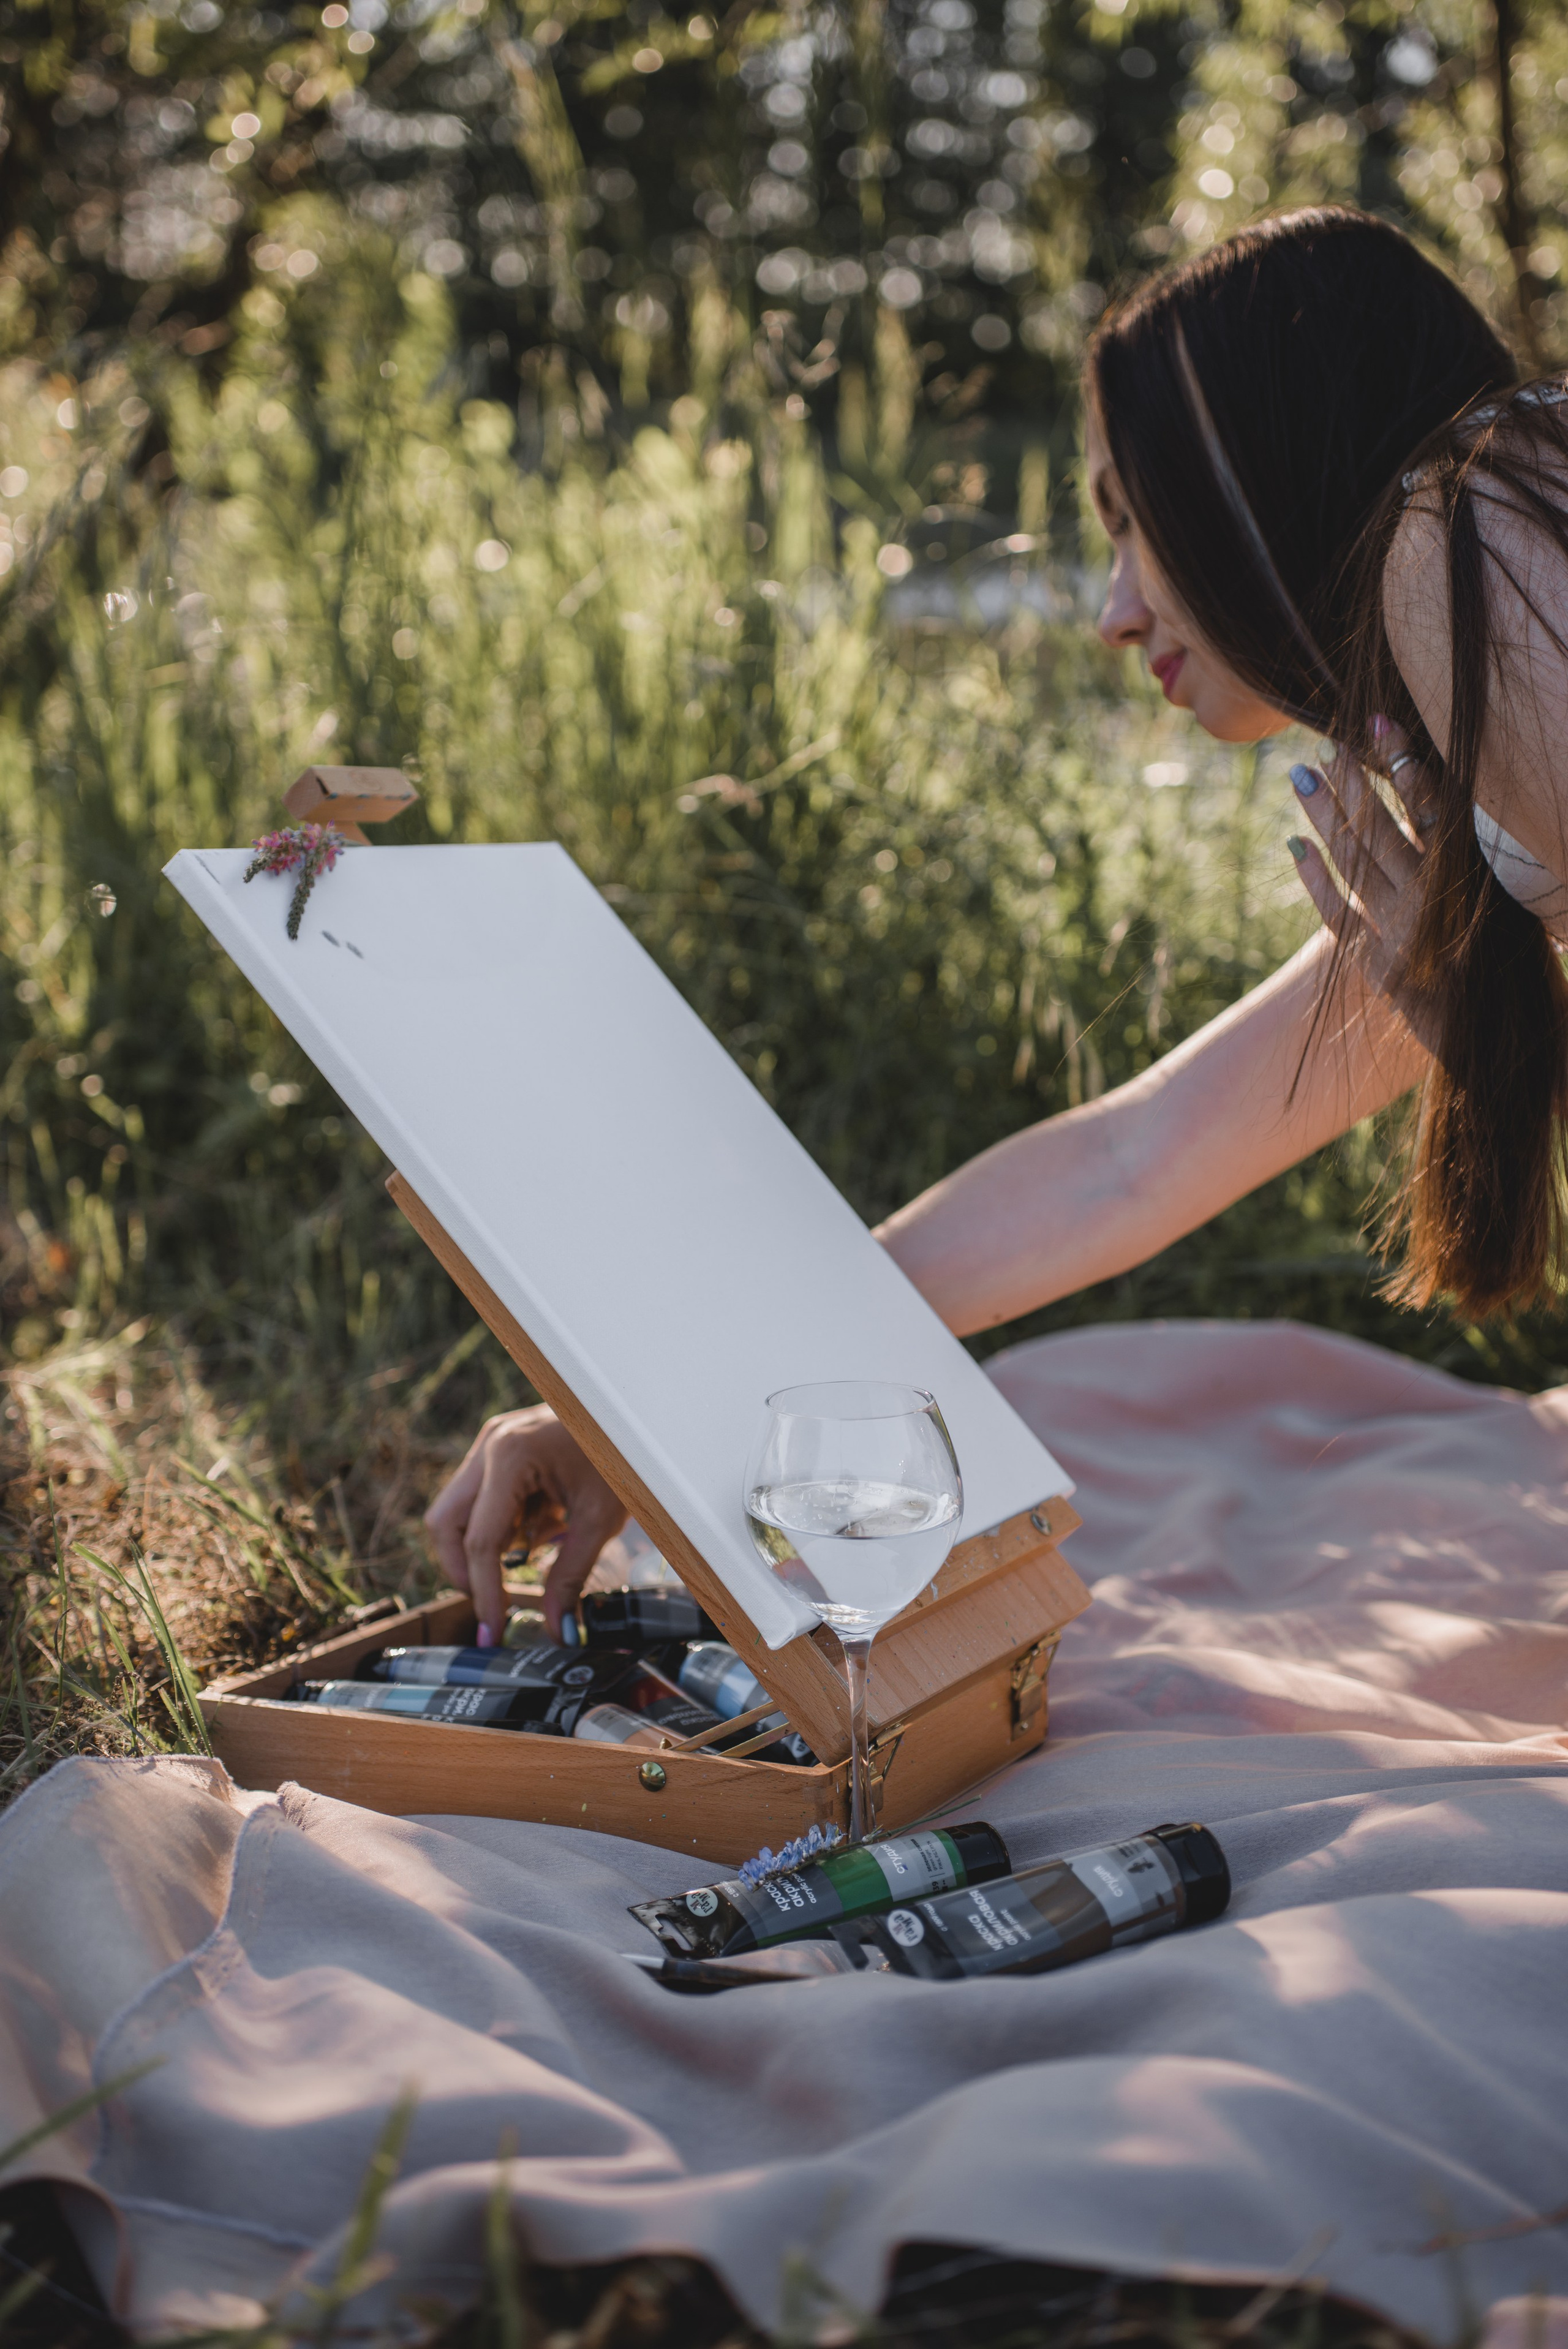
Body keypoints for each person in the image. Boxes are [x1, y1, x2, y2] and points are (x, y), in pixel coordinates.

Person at [426, 205, 1568, 1647]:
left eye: (1123, 517)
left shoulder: (1464, 535)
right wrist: (647, 1409)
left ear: (1239, 463)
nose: (1107, 611)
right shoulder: (1471, 638)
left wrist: (1486, 1033)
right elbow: (1130, 1159)